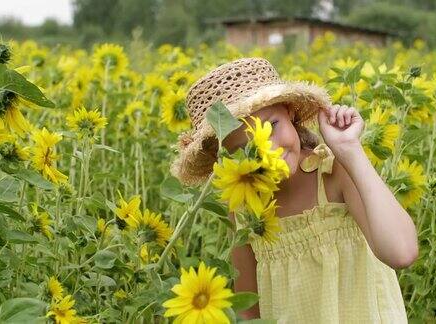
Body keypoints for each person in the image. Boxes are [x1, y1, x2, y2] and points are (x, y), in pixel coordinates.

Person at [170, 57, 418, 323]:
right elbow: (249, 309)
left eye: (271, 127)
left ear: (289, 111)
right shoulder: (244, 206)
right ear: (227, 160)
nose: (269, 152)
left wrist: (349, 150)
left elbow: (401, 252)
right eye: (245, 149)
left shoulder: (334, 175)